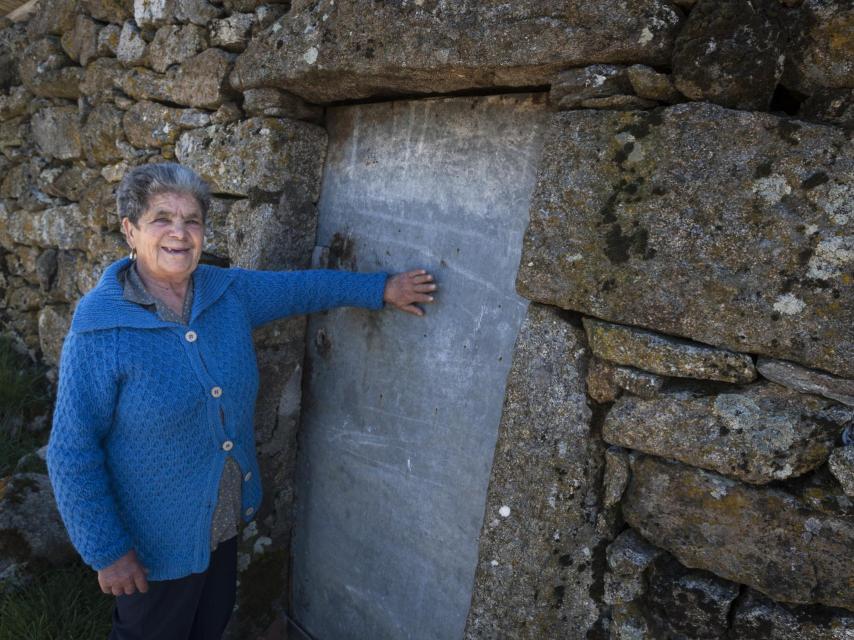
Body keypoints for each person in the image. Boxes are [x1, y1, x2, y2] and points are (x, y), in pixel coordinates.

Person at [46, 162, 437, 639]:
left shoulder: (226, 292)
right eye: (162, 219)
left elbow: (301, 288)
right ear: (130, 230)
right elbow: (71, 452)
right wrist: (107, 551)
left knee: (209, 629)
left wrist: (380, 288)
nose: (180, 233)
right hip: (153, 548)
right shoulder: (100, 329)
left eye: (192, 220)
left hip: (224, 525)